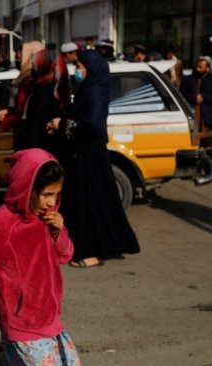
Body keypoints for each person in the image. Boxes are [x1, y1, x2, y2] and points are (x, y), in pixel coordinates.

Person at [0, 148, 80, 365]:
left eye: (57, 194)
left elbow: (66, 255)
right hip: (22, 329)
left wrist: (58, 233)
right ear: (27, 188)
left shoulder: (47, 218)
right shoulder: (1, 223)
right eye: (47, 194)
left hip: (51, 321)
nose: (52, 202)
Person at [46, 50, 140, 267]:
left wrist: (63, 124)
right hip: (82, 153)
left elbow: (93, 127)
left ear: (91, 68)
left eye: (80, 65)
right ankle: (86, 247)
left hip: (91, 155)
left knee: (92, 204)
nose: (77, 69)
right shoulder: (88, 89)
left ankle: (94, 253)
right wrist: (60, 126)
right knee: (85, 202)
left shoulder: (95, 93)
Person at [0, 41, 45, 150]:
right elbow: (21, 107)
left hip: (30, 139)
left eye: (21, 57)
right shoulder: (25, 79)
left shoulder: (34, 82)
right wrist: (9, 111)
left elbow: (25, 113)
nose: (19, 61)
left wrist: (6, 123)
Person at [180, 57, 212, 132]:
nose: (197, 69)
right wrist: (194, 97)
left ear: (207, 69)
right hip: (192, 112)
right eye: (197, 66)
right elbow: (182, 94)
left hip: (206, 115)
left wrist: (204, 97)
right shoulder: (188, 80)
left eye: (200, 67)